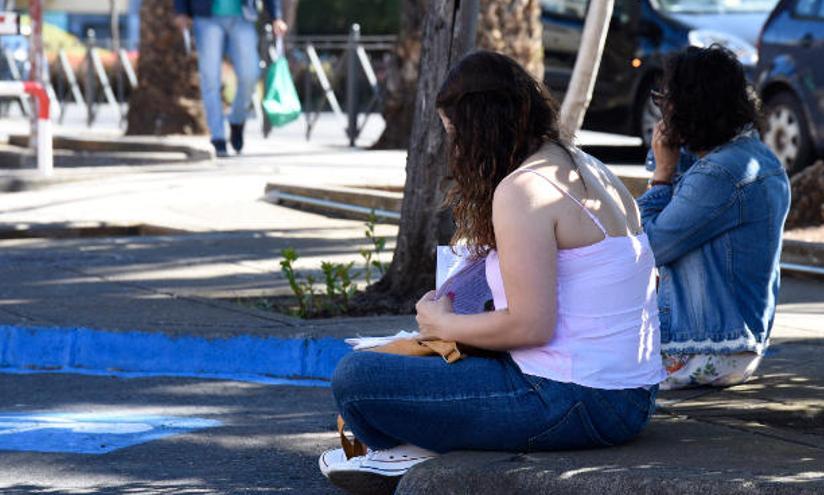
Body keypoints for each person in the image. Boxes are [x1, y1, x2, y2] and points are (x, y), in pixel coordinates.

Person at [318, 51, 665, 491]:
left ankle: (410, 449)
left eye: (455, 135)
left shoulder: (524, 189)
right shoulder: (585, 165)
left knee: (357, 378)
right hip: (630, 396)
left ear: (482, 129)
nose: (455, 151)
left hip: (572, 398)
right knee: (394, 364)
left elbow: (532, 325)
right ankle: (417, 444)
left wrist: (444, 323)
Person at [637, 46, 791, 390]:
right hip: (730, 346)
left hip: (704, 350)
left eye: (666, 99)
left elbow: (648, 247)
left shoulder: (720, 174)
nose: (662, 109)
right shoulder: (753, 157)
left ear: (691, 107)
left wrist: (662, 174)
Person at [173, 0, 287, 156]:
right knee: (210, 79)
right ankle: (218, 137)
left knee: (250, 74)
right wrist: (181, 11)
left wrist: (276, 16)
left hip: (242, 16)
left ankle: (237, 120)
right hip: (206, 17)